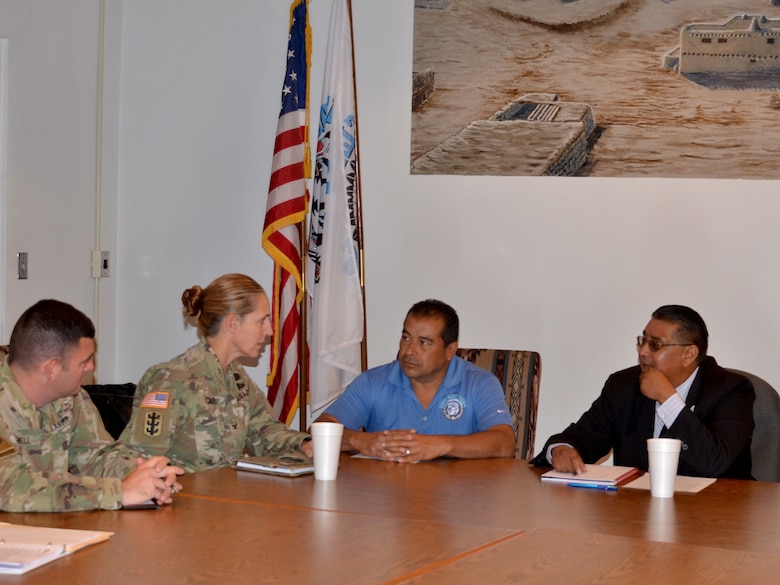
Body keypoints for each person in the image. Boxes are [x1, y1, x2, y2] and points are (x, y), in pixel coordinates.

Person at [531, 305, 755, 479]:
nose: (643, 352)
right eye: (643, 341)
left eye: (655, 344)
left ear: (689, 354)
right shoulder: (623, 385)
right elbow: (581, 438)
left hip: (715, 518)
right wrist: (561, 449)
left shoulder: (731, 390)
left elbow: (714, 462)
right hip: (635, 515)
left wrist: (668, 400)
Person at [0, 299, 182, 512]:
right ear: (51, 369)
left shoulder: (71, 397)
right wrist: (119, 491)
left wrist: (145, 473)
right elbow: (10, 486)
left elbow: (95, 456)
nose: (91, 367)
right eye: (84, 361)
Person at [119, 273, 313, 473]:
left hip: (224, 496)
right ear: (233, 323)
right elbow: (138, 461)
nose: (269, 331)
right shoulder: (173, 381)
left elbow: (264, 430)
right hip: (182, 500)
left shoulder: (235, 376)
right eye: (261, 321)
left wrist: (303, 444)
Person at [315, 299, 515, 462]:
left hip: (458, 502)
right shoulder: (372, 382)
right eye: (406, 338)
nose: (409, 351)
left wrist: (440, 445)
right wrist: (361, 440)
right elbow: (320, 429)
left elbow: (505, 443)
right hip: (386, 499)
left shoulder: (479, 383)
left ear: (450, 350)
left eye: (424, 343)